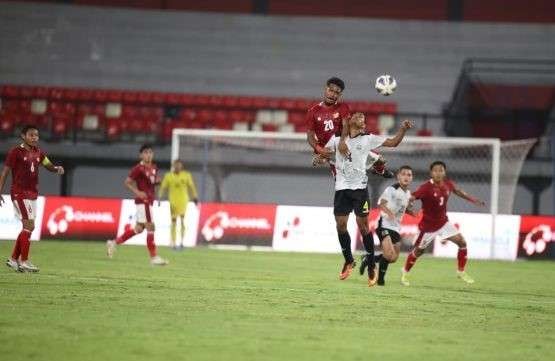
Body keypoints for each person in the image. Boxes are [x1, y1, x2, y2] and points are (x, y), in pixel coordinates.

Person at [324, 112, 413, 286]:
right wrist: (319, 157)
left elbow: (393, 143)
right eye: (358, 117)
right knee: (340, 226)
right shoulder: (336, 141)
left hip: (360, 190)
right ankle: (348, 260)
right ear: (349, 121)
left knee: (363, 227)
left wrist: (402, 129)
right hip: (342, 189)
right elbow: (325, 154)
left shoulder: (368, 139)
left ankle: (371, 264)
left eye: (364, 118)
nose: (362, 120)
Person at [401, 161, 485, 286]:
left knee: (462, 242)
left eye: (441, 170)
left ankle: (461, 271)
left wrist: (474, 200)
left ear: (444, 172)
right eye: (435, 170)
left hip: (443, 223)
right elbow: (412, 197)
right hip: (428, 227)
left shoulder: (448, 184)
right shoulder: (426, 188)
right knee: (419, 251)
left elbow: (458, 192)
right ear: (431, 173)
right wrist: (409, 205)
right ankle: (405, 273)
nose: (438, 173)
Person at [0, 125, 64, 272]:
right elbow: (5, 172)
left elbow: (48, 165)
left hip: (32, 193)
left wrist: (56, 169)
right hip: (19, 193)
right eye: (31, 135)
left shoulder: (38, 152)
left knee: (28, 227)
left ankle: (14, 259)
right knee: (29, 226)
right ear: (23, 136)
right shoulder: (16, 152)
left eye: (36, 135)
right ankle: (25, 261)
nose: (35, 138)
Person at [306, 77, 393, 178]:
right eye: (330, 90)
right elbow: (310, 137)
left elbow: (346, 126)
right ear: (325, 89)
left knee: (379, 160)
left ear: (340, 95)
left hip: (348, 145)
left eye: (336, 92)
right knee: (341, 183)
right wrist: (319, 150)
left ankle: (380, 171)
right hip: (330, 151)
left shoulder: (342, 107)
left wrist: (342, 142)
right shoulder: (313, 112)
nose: (332, 94)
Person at [106, 144, 168, 265]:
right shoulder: (138, 168)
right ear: (141, 155)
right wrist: (138, 192)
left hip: (149, 200)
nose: (148, 155)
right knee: (151, 226)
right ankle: (154, 257)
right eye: (145, 152)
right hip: (143, 201)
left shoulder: (154, 167)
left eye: (150, 152)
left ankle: (114, 243)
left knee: (139, 229)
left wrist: (157, 182)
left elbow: (151, 182)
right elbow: (127, 182)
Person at [359, 166, 417, 285]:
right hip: (384, 225)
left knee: (393, 258)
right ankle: (380, 281)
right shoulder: (392, 189)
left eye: (409, 175)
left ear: (411, 178)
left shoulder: (408, 193)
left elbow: (403, 208)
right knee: (389, 254)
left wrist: (412, 213)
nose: (406, 177)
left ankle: (368, 259)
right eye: (404, 174)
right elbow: (381, 204)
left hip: (396, 227)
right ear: (398, 176)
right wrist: (390, 213)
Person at [158, 159, 198, 250]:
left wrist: (195, 197)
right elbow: (163, 187)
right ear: (173, 166)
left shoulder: (186, 175)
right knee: (173, 221)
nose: (177, 167)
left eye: (179, 165)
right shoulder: (168, 176)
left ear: (182, 166)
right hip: (173, 201)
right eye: (176, 165)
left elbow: (192, 187)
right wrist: (159, 197)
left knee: (183, 220)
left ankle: (182, 242)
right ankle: (174, 243)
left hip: (183, 201)